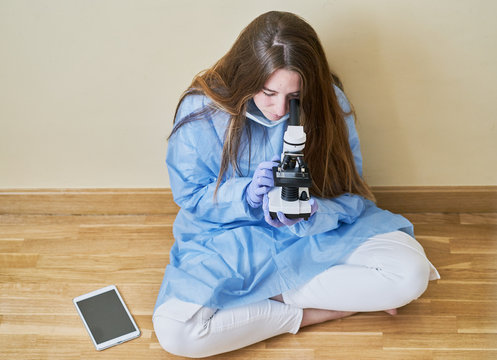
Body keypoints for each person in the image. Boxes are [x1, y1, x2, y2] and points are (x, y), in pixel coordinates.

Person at [153, 11, 439, 358]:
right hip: (232, 239)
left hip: (314, 236)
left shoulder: (329, 102)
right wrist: (243, 194)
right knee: (177, 331)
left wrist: (313, 212)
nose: (278, 109)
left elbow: (350, 194)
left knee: (410, 274)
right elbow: (192, 195)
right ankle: (323, 310)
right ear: (247, 76)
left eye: (295, 96)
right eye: (268, 92)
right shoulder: (203, 110)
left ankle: (262, 298)